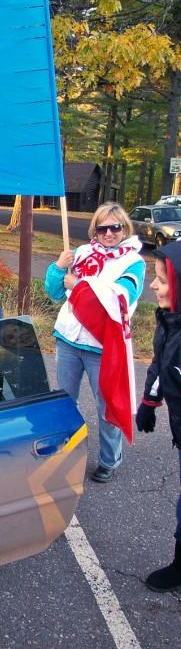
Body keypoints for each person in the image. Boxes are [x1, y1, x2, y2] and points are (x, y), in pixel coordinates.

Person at [44, 202, 145, 482]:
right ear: (95, 230)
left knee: (107, 407)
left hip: (103, 346)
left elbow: (121, 297)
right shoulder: (81, 253)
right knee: (65, 402)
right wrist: (57, 267)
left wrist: (78, 285)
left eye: (115, 227)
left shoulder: (133, 262)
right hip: (67, 338)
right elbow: (53, 291)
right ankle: (66, 454)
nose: (109, 233)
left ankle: (109, 460)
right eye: (103, 228)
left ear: (125, 228)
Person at [135, 240, 181, 592]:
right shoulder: (170, 321)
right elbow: (160, 363)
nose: (154, 285)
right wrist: (149, 403)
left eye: (162, 280)